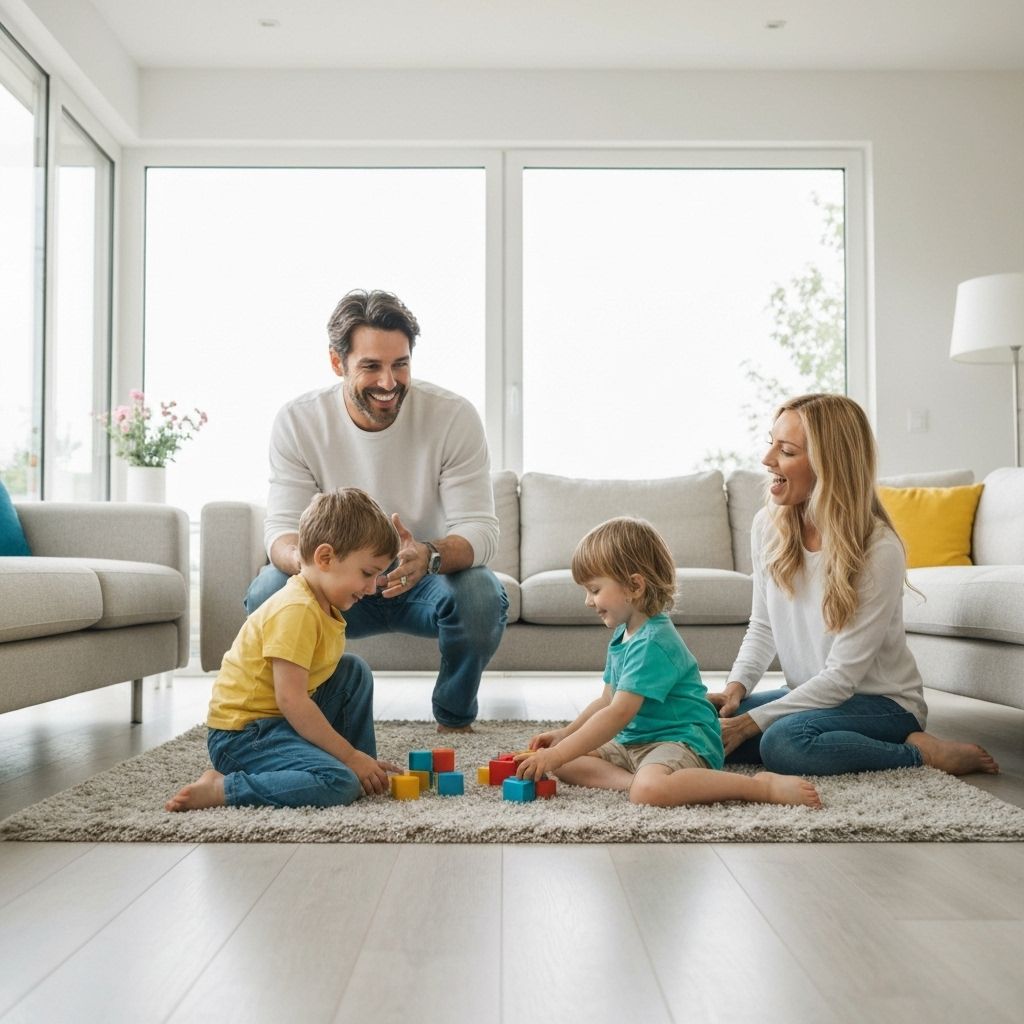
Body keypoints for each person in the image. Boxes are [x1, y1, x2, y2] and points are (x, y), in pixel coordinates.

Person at [244, 289, 508, 732]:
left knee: (481, 593)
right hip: (335, 585)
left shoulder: (453, 416)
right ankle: (300, 716)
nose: (389, 382)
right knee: (268, 590)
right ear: (337, 362)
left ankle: (454, 717)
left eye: (400, 364)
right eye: (371, 366)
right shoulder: (299, 420)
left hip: (425, 582)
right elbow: (282, 534)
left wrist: (428, 554)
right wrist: (326, 569)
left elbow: (481, 529)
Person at [709, 393, 999, 777]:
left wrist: (752, 722)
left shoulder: (878, 548)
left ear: (828, 464)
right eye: (771, 444)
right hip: (811, 698)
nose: (767, 461)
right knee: (700, 725)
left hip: (882, 703)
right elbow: (762, 627)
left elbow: (843, 679)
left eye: (787, 451)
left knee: (783, 743)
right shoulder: (768, 526)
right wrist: (736, 688)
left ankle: (920, 754)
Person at [514, 517, 822, 808]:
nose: (588, 601)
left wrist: (555, 755)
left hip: (680, 740)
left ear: (635, 586)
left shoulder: (653, 642)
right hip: (635, 742)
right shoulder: (624, 634)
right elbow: (607, 700)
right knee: (568, 761)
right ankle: (637, 782)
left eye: (595, 590)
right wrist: (563, 739)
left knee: (641, 788)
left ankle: (759, 787)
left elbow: (618, 713)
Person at [165, 488, 401, 811]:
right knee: (338, 783)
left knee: (353, 672)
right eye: (367, 574)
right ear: (325, 558)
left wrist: (358, 758)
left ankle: (363, 770)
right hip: (243, 735)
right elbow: (291, 700)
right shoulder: (297, 609)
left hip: (276, 722)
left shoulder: (322, 605)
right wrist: (348, 757)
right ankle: (224, 788)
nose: (373, 588)